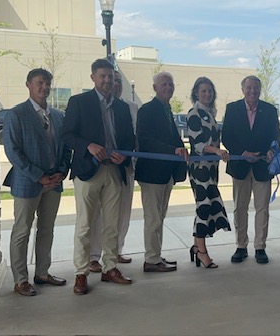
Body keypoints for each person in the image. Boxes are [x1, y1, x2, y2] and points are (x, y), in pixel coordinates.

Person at [62, 59, 136, 295]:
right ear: (93, 77)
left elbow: (129, 139)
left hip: (115, 171)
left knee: (112, 224)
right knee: (85, 225)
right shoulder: (79, 102)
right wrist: (88, 146)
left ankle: (110, 267)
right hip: (88, 171)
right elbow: (67, 135)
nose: (107, 80)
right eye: (102, 76)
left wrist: (124, 156)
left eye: (111, 77)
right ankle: (81, 273)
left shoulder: (122, 108)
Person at [3, 68, 72, 296]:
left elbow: (65, 148)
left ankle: (42, 273)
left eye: (47, 83)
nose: (44, 87)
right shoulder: (16, 114)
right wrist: (38, 175)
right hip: (27, 182)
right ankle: (20, 279)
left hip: (54, 182)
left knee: (47, 229)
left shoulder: (59, 116)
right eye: (39, 83)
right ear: (28, 85)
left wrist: (62, 171)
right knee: (22, 230)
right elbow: (13, 151)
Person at [222, 75, 280, 264]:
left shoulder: (270, 110)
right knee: (240, 207)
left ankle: (260, 247)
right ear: (243, 89)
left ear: (260, 89)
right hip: (240, 166)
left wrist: (272, 149)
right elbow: (227, 137)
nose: (252, 91)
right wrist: (242, 152)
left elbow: (276, 137)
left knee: (262, 208)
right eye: (249, 87)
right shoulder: (232, 109)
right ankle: (241, 245)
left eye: (256, 87)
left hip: (263, 166)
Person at [135, 71, 186, 273]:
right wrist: (172, 150)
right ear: (155, 87)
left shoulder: (167, 110)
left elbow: (173, 138)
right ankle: (151, 259)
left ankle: (155, 255)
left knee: (160, 217)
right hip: (152, 174)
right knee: (153, 218)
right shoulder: (147, 110)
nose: (168, 88)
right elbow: (146, 139)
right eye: (164, 84)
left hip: (167, 174)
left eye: (170, 84)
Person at [88, 70, 139, 273]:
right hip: (97, 168)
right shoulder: (91, 104)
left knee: (123, 211)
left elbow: (135, 137)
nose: (114, 83)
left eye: (117, 81)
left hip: (125, 167)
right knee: (97, 215)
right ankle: (93, 256)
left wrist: (127, 155)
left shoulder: (131, 107)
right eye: (110, 79)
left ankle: (116, 250)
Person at [186, 77, 232, 268]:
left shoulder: (210, 114)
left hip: (211, 169)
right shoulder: (194, 113)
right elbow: (198, 144)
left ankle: (197, 247)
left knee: (205, 207)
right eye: (203, 91)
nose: (207, 94)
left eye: (210, 91)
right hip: (200, 170)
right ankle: (202, 251)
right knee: (204, 207)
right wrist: (217, 151)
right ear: (196, 93)